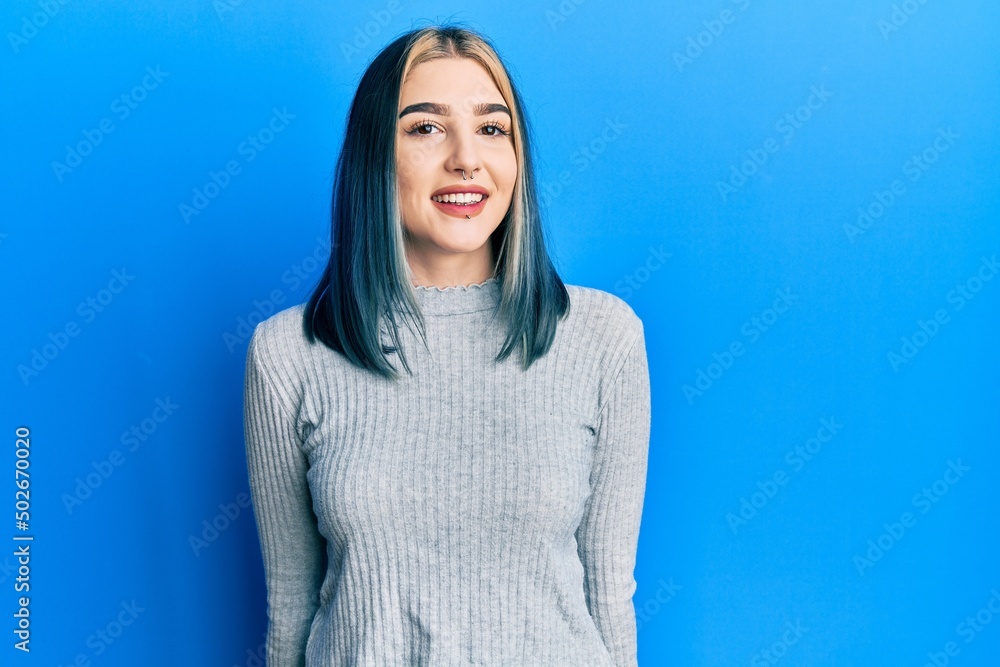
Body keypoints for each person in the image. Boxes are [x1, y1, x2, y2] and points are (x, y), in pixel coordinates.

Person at [243, 23, 651, 667]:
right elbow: (292, 607)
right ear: (375, 156)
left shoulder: (603, 338)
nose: (467, 157)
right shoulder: (288, 355)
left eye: (493, 128)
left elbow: (609, 594)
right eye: (425, 127)